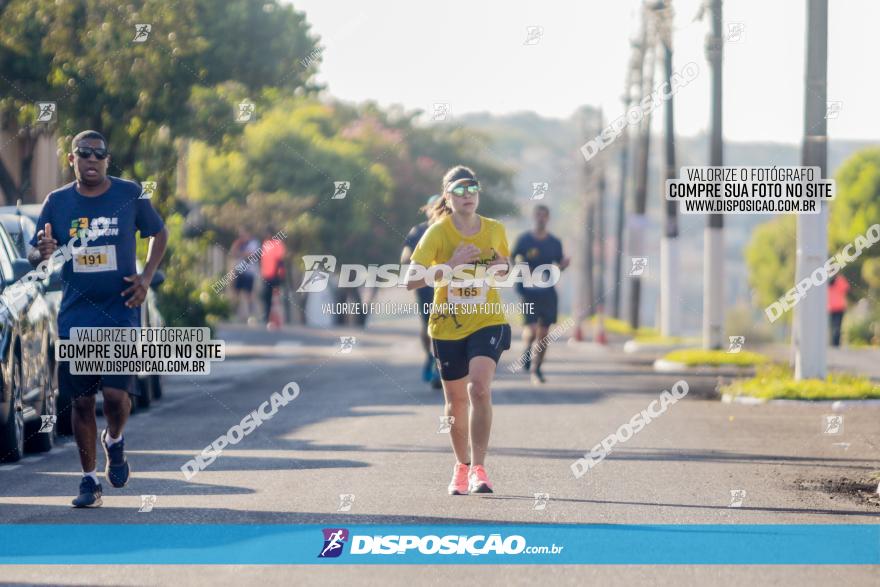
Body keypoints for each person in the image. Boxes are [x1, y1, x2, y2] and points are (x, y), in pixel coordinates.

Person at [29, 130, 168, 508]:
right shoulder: (57, 203)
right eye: (83, 154)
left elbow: (159, 232)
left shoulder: (129, 194)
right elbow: (36, 255)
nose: (92, 160)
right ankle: (89, 481)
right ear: (71, 159)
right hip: (76, 315)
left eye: (99, 154)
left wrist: (145, 278)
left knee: (116, 397)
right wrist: (42, 253)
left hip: (120, 312)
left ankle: (115, 440)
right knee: (82, 402)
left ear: (107, 159)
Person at [406, 165, 511, 495]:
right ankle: (461, 467)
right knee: (455, 402)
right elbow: (410, 279)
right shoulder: (437, 233)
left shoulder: (494, 229)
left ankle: (480, 469)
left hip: (487, 319)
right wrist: (450, 266)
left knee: (478, 389)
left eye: (473, 189)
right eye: (460, 190)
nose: (468, 195)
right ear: (447, 197)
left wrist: (502, 266)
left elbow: (505, 266)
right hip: (448, 325)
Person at [512, 204, 569, 384]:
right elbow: (512, 257)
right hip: (528, 290)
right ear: (533, 217)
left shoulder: (554, 242)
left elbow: (560, 265)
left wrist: (563, 266)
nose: (541, 218)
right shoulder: (524, 240)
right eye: (538, 215)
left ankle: (537, 369)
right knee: (532, 329)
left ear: (548, 218)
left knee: (544, 332)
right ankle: (528, 349)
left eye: (544, 215)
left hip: (547, 292)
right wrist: (521, 267)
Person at [401, 194, 441, 388]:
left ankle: (441, 364)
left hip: (449, 286)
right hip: (425, 286)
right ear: (427, 209)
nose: (436, 209)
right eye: (432, 206)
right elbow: (405, 256)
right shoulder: (418, 231)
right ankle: (432, 358)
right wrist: (416, 259)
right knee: (429, 328)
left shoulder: (452, 229)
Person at [230, 228, 259, 323]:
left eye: (243, 235)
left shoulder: (253, 243)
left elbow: (250, 255)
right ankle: (234, 315)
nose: (241, 237)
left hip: (249, 272)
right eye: (240, 235)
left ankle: (251, 315)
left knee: (249, 294)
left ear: (248, 234)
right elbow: (233, 253)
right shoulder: (238, 243)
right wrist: (238, 249)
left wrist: (240, 253)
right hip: (239, 271)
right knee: (236, 294)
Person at [260, 228, 287, 327]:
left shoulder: (277, 244)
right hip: (266, 276)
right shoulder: (265, 244)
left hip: (275, 277)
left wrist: (278, 276)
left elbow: (280, 261)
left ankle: (279, 320)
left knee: (276, 298)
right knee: (266, 298)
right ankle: (267, 318)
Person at [828, 274, 850, 347]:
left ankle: (832, 343)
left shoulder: (824, 280)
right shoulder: (840, 279)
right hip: (839, 306)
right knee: (837, 326)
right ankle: (835, 343)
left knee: (832, 326)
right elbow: (846, 288)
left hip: (830, 307)